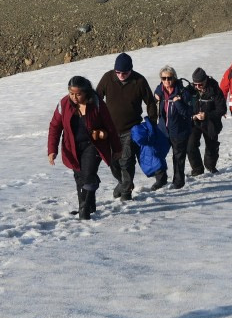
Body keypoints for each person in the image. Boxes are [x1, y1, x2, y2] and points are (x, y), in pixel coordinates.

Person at [47, 76, 123, 220]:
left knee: (88, 174)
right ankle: (87, 205)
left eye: (78, 94)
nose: (74, 97)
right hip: (72, 147)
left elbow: (110, 126)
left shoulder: (97, 103)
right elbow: (55, 127)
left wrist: (117, 148)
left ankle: (84, 209)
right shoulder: (63, 104)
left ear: (86, 92)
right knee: (80, 178)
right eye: (71, 93)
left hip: (93, 145)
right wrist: (52, 150)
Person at [96, 52, 157, 202]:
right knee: (113, 161)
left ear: (131, 70)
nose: (121, 75)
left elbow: (150, 102)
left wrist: (152, 123)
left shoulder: (139, 80)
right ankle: (123, 183)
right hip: (110, 129)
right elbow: (96, 97)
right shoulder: (107, 78)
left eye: (124, 72)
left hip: (132, 128)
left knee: (126, 160)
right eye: (118, 72)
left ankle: (126, 193)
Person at [153, 66, 193, 189]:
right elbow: (154, 100)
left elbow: (188, 112)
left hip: (179, 131)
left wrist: (178, 103)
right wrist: (156, 97)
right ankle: (161, 179)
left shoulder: (182, 92)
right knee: (158, 154)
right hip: (163, 130)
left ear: (174, 78)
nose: (166, 81)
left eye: (169, 78)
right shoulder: (159, 90)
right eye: (163, 78)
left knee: (178, 157)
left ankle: (178, 182)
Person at [186, 67, 227, 176]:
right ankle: (197, 169)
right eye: (195, 84)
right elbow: (184, 105)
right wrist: (193, 116)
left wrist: (207, 115)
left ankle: (211, 166)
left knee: (211, 146)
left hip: (211, 123)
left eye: (200, 84)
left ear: (206, 80)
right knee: (190, 146)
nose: (198, 87)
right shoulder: (190, 90)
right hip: (195, 122)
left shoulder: (214, 89)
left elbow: (222, 109)